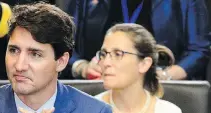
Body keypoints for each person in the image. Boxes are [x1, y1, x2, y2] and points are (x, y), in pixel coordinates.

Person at [64, 0, 210, 80]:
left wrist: (166, 76)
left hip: (160, 88)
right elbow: (63, 43)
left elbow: (199, 50)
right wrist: (82, 67)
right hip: (101, 84)